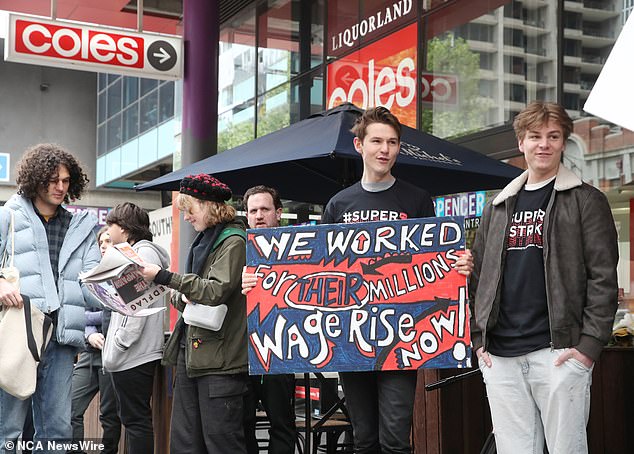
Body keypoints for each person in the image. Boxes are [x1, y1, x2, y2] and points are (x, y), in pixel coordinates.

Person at [469, 101, 618, 454]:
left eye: (553, 136)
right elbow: (479, 276)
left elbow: (603, 278)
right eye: (535, 136)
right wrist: (479, 339)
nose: (544, 144)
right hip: (500, 356)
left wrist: (588, 348)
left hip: (559, 353)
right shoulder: (497, 205)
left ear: (563, 142)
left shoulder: (586, 200)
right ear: (521, 142)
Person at [0, 143, 101, 453]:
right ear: (35, 178)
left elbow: (92, 290)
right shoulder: (8, 217)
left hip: (61, 339)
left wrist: (121, 287)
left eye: (66, 180)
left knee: (58, 429)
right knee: (9, 430)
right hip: (19, 335)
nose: (60, 187)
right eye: (52, 180)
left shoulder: (81, 228)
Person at [140, 174, 249, 454]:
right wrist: (180, 292)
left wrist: (166, 277)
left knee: (221, 443)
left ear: (208, 205)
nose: (187, 217)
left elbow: (215, 291)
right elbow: (190, 293)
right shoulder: (206, 240)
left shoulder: (233, 240)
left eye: (189, 209)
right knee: (185, 443)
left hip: (221, 361)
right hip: (193, 353)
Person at [102, 203, 169, 454]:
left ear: (126, 229)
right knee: (134, 420)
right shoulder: (137, 252)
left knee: (136, 421)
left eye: (112, 225)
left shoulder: (142, 255)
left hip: (134, 354)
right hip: (133, 353)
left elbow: (137, 308)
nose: (108, 231)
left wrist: (120, 342)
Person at [240, 186, 296, 454]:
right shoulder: (237, 248)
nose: (259, 215)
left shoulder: (297, 249)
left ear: (279, 213)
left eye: (265, 209)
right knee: (242, 424)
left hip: (283, 350)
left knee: (282, 425)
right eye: (253, 210)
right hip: (242, 352)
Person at [68, 227, 121, 454]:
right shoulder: (92, 273)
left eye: (108, 240)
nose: (103, 245)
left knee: (109, 416)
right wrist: (89, 332)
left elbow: (119, 310)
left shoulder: (123, 273)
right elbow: (79, 311)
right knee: (70, 409)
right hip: (89, 352)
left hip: (114, 353)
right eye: (101, 241)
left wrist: (98, 316)